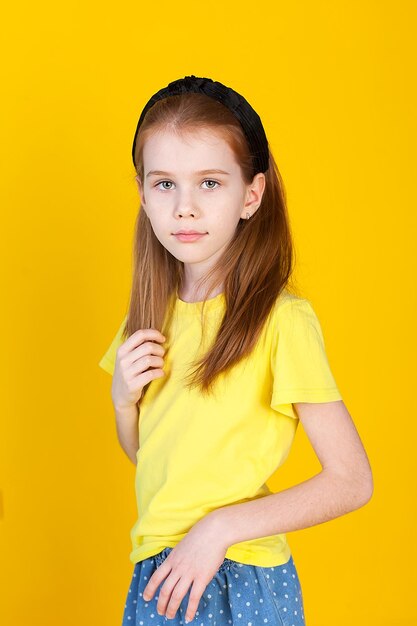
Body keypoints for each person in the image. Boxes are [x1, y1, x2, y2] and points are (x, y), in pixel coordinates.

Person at [98, 75, 373, 626]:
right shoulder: (145, 317)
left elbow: (351, 480)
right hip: (159, 572)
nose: (185, 208)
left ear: (251, 195)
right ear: (142, 194)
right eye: (165, 184)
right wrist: (123, 401)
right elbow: (155, 460)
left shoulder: (280, 320)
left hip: (234, 573)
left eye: (210, 183)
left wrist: (218, 529)